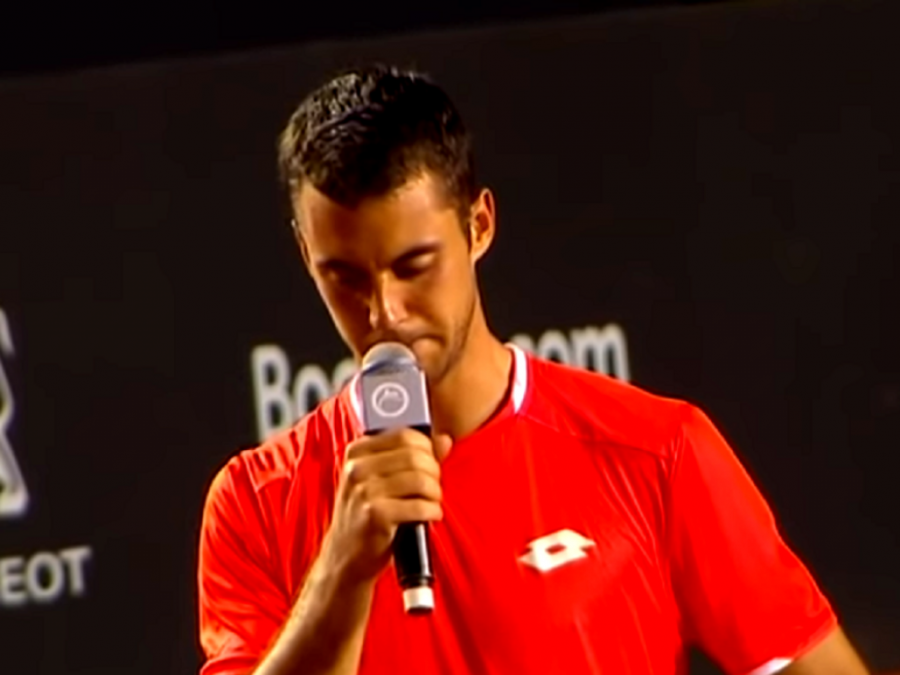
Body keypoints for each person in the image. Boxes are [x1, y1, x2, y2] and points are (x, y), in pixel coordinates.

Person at [197, 65, 870, 675]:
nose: (384, 311)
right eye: (343, 276)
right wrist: (342, 570)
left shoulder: (658, 451)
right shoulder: (254, 503)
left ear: (479, 225)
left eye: (414, 265)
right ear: (305, 254)